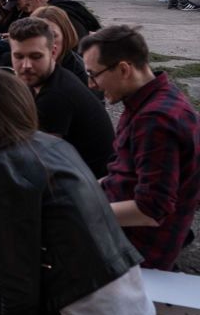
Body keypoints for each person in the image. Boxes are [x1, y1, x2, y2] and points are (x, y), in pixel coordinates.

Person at [0, 69, 154, 315]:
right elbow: (21, 237)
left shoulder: (2, 167)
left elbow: (18, 287)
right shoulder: (50, 144)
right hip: (126, 312)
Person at [81, 25, 200, 270]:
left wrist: (84, 213)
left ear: (124, 69)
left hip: (135, 249)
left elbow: (150, 209)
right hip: (123, 230)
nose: (91, 84)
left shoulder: (155, 121)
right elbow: (127, 174)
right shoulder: (152, 98)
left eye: (94, 74)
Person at [8, 18, 114, 176]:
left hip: (89, 187)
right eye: (19, 56)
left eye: (35, 56)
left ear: (53, 52)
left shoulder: (56, 95)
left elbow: (39, 162)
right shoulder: (45, 80)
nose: (26, 65)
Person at [31, 5, 90, 85]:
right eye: (37, 35)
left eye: (52, 35)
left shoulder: (80, 74)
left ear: (66, 35)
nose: (44, 42)